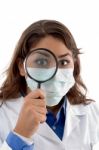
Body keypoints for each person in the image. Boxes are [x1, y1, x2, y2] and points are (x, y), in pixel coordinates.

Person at [0, 19, 99, 150]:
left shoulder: (91, 112)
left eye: (64, 62)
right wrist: (20, 135)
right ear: (21, 67)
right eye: (41, 62)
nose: (56, 73)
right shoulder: (3, 113)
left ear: (74, 65)